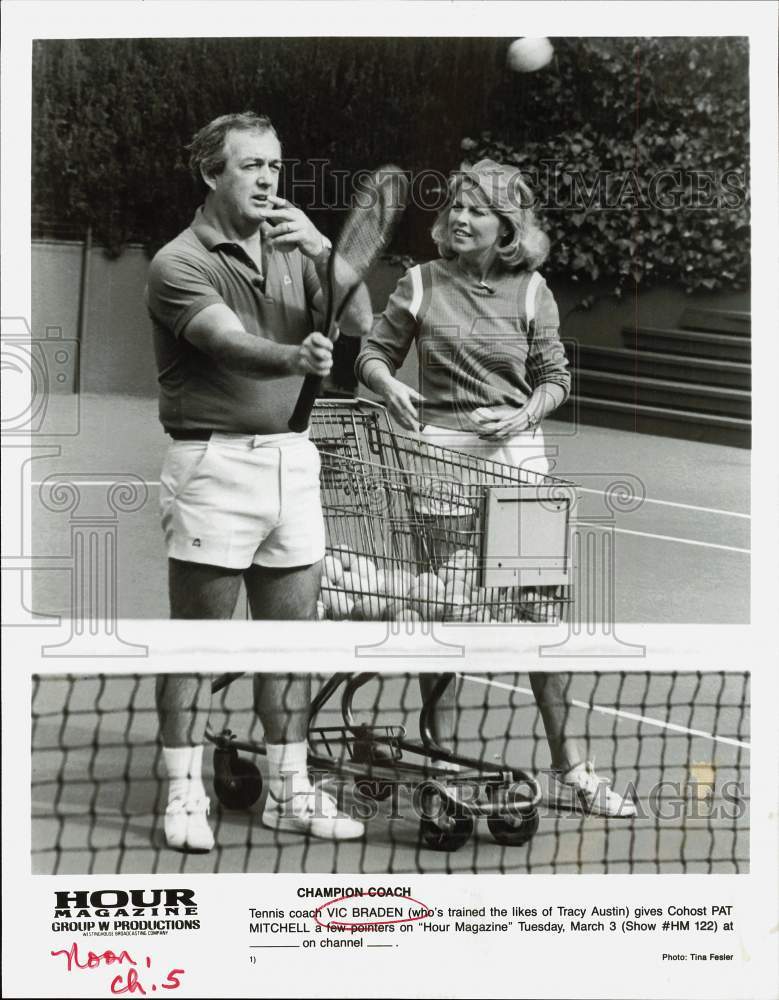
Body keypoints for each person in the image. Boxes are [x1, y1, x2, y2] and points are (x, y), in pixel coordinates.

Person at [356, 159, 636, 817]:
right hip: (441, 470)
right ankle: (442, 768)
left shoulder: (533, 290)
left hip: (520, 470)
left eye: (476, 209)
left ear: (504, 225)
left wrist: (524, 414)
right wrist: (388, 383)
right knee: (448, 621)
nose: (459, 217)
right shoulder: (418, 283)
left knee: (540, 622)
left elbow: (554, 377)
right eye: (454, 204)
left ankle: (572, 770)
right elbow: (373, 353)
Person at [147, 111, 373, 851]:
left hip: (292, 463)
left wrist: (319, 247)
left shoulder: (291, 241)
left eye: (275, 164)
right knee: (198, 645)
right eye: (250, 165)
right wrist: (294, 360)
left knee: (291, 643)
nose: (269, 178)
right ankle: (182, 795)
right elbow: (227, 344)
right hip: (214, 465)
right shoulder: (179, 261)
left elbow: (361, 316)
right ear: (211, 174)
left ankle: (288, 790)